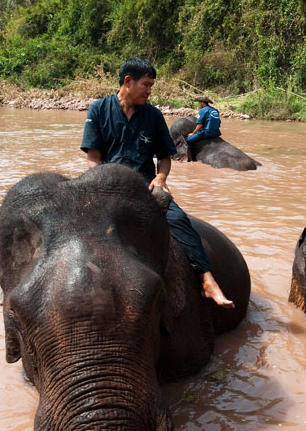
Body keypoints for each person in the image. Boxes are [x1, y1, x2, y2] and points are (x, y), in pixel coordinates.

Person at [81, 57, 235, 309]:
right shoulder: (98, 110)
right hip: (106, 182)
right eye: (146, 84)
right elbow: (93, 157)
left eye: (152, 85)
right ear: (128, 82)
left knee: (177, 219)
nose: (150, 91)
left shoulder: (152, 115)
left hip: (144, 184)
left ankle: (206, 279)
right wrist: (98, 185)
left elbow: (165, 157)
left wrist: (161, 178)